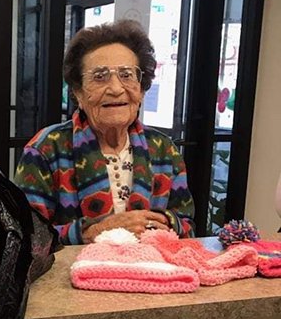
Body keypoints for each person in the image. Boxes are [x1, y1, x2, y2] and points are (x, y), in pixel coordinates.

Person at [14, 20, 195, 244]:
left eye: (127, 75)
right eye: (100, 77)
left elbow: (187, 225)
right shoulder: (46, 149)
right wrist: (95, 231)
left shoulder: (163, 149)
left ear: (141, 88)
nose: (117, 89)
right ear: (78, 93)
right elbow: (25, 235)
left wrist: (165, 223)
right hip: (72, 276)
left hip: (150, 274)